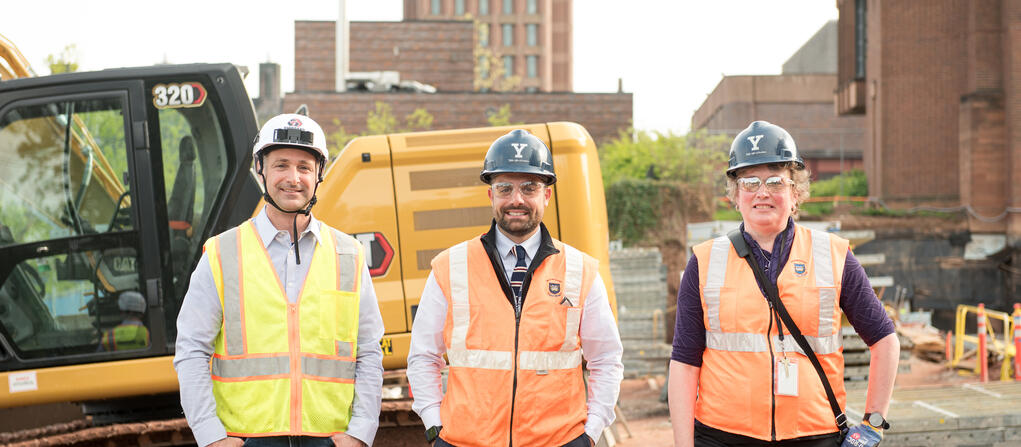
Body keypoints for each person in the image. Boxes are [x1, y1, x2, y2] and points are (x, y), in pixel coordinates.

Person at [668, 121, 900, 447]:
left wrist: (873, 423)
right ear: (736, 195)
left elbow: (885, 341)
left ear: (795, 192)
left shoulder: (832, 255)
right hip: (722, 436)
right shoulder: (705, 262)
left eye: (776, 181)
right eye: (749, 181)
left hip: (814, 434)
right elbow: (684, 363)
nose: (762, 192)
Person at [174, 114, 384, 447]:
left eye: (304, 167)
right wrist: (211, 437)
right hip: (248, 440)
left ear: (319, 175)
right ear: (261, 170)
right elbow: (191, 350)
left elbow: (369, 352)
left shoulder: (350, 254)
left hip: (328, 440)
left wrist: (360, 433)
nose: (293, 178)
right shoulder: (222, 253)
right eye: (281, 165)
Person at [406, 129, 624, 447]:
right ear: (491, 195)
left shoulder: (580, 270)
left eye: (529, 188)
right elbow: (423, 356)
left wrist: (590, 432)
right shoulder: (450, 267)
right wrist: (433, 426)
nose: (516, 200)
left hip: (558, 441)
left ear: (546, 195)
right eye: (505, 188)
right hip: (467, 442)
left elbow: (605, 358)